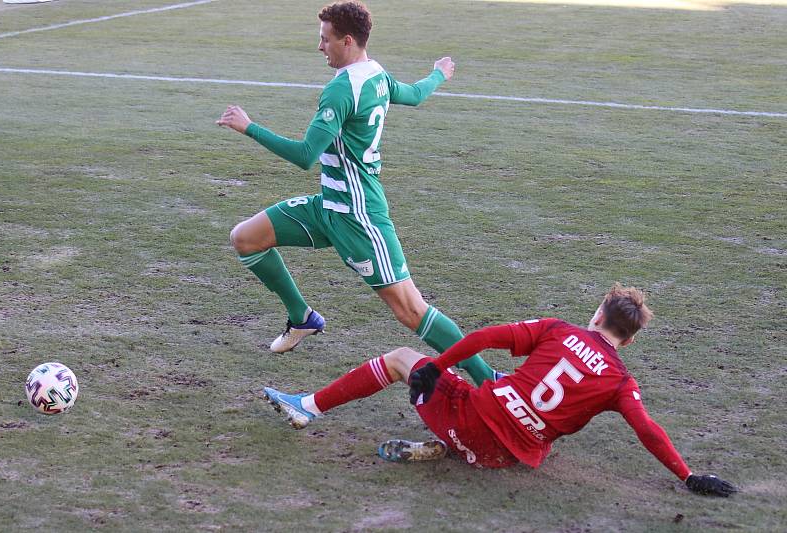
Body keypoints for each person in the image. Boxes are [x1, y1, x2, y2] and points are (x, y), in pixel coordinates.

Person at [216, 1, 495, 384]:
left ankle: (488, 379)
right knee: (245, 238)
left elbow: (305, 156)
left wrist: (249, 127)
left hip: (358, 215)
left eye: (325, 39)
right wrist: (438, 74)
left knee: (411, 311)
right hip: (328, 206)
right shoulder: (375, 74)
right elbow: (413, 94)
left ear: (347, 41)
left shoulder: (341, 90)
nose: (320, 47)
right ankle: (302, 318)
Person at [263, 284, 737, 496]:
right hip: (507, 456)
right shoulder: (621, 381)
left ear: (596, 315)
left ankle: (306, 406)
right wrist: (686, 475)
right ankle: (446, 448)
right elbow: (647, 429)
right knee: (499, 395)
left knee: (402, 359)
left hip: (473, 420)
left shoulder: (557, 329)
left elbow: (486, 337)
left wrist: (439, 366)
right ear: (629, 340)